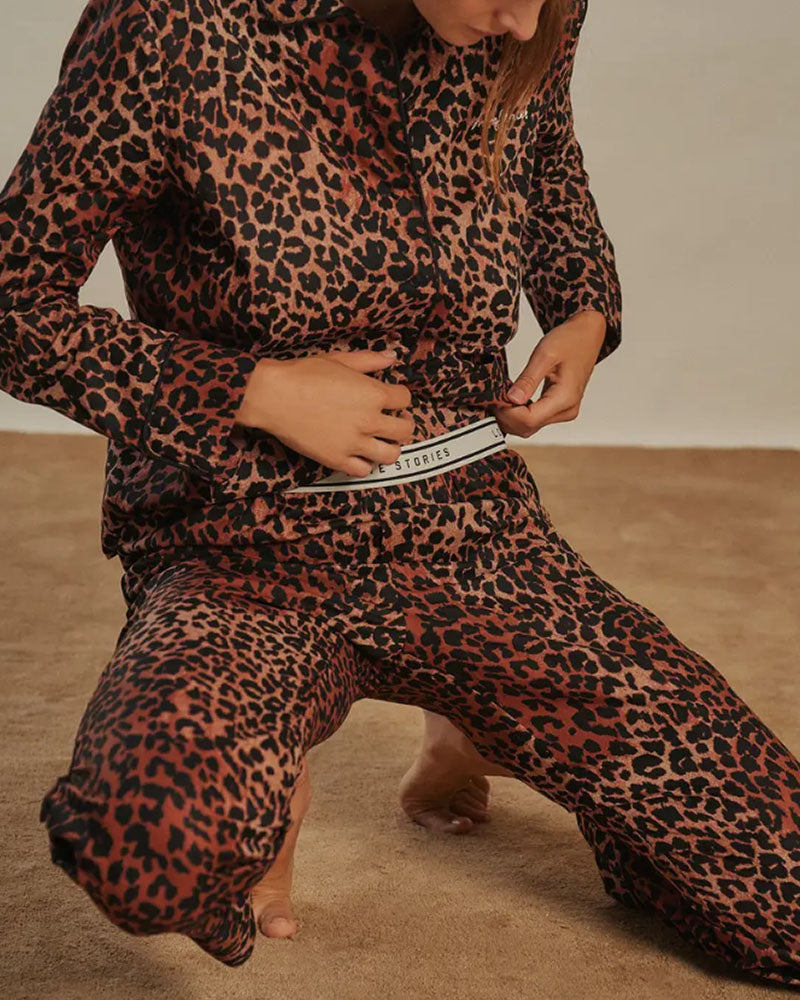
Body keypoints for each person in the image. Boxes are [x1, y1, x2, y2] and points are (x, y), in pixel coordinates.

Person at [1, 0, 798, 987]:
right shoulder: (170, 25)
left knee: (786, 897)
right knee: (144, 848)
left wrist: (584, 307)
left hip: (472, 539)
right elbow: (13, 302)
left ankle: (471, 720)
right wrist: (254, 390)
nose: (523, 26)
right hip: (242, 550)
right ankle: (273, 748)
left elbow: (545, 160)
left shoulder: (526, 17)